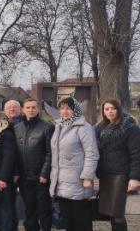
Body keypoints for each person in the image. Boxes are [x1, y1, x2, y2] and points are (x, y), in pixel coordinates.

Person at [50, 97, 99, 231]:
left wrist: (88, 177)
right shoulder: (59, 126)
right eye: (62, 108)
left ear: (75, 110)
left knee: (81, 220)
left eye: (68, 108)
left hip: (78, 181)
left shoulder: (84, 127)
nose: (65, 111)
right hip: (61, 182)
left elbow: (92, 153)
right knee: (68, 220)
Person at [95, 99, 140, 231]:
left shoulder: (130, 128)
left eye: (113, 108)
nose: (110, 112)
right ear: (103, 112)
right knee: (109, 211)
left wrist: (135, 178)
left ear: (119, 109)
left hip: (121, 175)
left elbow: (136, 154)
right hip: (105, 175)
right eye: (107, 109)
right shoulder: (100, 128)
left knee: (117, 212)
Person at [13, 99, 53, 231]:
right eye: (28, 107)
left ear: (38, 109)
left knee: (44, 209)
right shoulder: (17, 128)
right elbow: (15, 154)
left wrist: (44, 173)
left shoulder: (47, 127)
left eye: (34, 107)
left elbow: (50, 152)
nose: (31, 110)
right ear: (23, 109)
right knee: (29, 209)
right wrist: (17, 172)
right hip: (24, 178)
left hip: (40, 177)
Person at [3, 99, 22, 231]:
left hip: (27, 169)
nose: (12, 109)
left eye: (15, 107)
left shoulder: (25, 123)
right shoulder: (1, 126)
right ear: (5, 111)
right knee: (9, 204)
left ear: (20, 110)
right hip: (10, 171)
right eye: (9, 107)